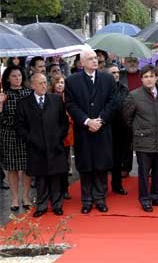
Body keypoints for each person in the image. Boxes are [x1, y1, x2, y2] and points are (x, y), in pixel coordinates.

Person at [65, 49, 118, 214]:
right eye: (90, 59)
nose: (94, 61)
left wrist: (100, 120)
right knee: (86, 166)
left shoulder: (107, 79)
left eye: (96, 58)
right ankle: (87, 200)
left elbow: (113, 102)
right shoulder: (72, 81)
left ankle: (100, 199)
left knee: (101, 166)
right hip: (84, 130)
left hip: (102, 129)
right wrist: (87, 121)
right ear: (82, 63)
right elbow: (71, 104)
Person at [16, 73, 69, 217]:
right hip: (35, 147)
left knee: (56, 177)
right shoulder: (24, 103)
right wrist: (31, 139)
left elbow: (64, 122)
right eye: (40, 83)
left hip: (55, 145)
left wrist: (58, 137)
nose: (44, 85)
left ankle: (57, 205)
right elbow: (20, 126)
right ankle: (42, 205)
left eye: (45, 82)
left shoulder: (56, 100)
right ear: (32, 85)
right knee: (40, 178)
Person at [123, 65, 158, 212]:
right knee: (144, 173)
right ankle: (145, 199)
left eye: (151, 76)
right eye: (145, 77)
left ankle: (157, 196)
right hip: (143, 140)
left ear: (156, 77)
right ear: (142, 79)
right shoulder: (134, 95)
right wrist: (138, 130)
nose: (149, 79)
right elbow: (127, 117)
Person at [0, 66, 32, 211]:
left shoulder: (29, 93)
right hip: (9, 134)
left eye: (19, 75)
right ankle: (14, 198)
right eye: (14, 76)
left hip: (26, 134)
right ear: (8, 78)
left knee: (27, 167)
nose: (17, 78)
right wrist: (1, 103)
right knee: (12, 168)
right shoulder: (4, 94)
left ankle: (25, 196)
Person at [106, 63, 130, 195]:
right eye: (113, 73)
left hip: (121, 128)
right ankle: (102, 186)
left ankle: (117, 184)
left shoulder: (124, 88)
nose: (116, 75)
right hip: (106, 127)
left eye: (117, 73)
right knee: (104, 158)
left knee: (118, 158)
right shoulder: (102, 88)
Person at [50, 74, 74, 200]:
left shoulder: (68, 97)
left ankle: (64, 188)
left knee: (64, 162)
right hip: (51, 134)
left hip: (66, 134)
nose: (60, 85)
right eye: (57, 82)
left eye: (62, 82)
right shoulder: (49, 97)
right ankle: (54, 189)